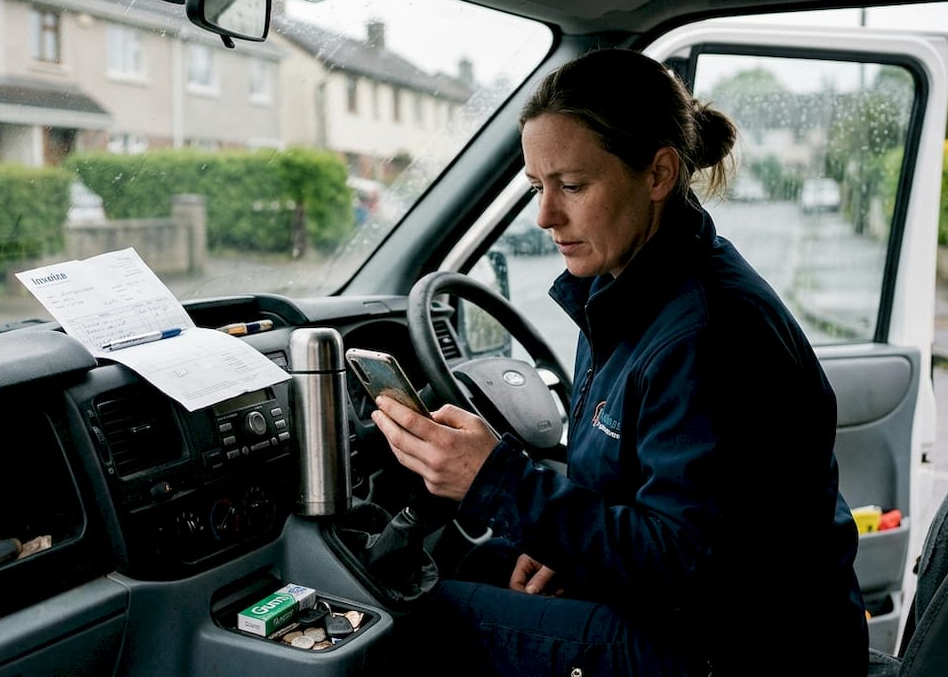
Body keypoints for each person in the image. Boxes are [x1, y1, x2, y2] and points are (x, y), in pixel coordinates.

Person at [371, 47, 868, 676]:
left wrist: (495, 481)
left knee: (420, 620)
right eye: (537, 187)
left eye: (573, 186)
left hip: (739, 650)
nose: (545, 216)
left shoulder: (707, 333)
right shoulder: (629, 289)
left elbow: (690, 564)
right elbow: (654, 497)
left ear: (658, 174)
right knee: (482, 563)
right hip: (725, 620)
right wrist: (566, 546)